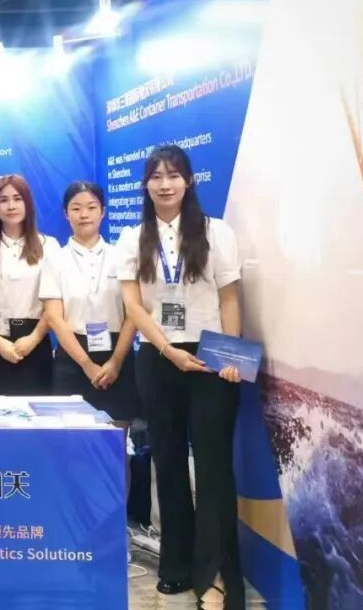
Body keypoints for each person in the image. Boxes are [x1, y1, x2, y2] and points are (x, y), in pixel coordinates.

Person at [118, 144, 243, 608]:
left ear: (189, 181)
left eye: (173, 175)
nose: (165, 184)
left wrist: (232, 355)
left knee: (212, 469)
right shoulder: (132, 238)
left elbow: (229, 298)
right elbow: (133, 305)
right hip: (158, 355)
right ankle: (176, 566)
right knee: (167, 463)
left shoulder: (216, 232)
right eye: (156, 176)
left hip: (212, 358)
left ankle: (215, 575)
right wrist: (168, 350)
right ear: (146, 185)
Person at [41, 181, 140, 422]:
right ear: (66, 214)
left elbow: (133, 313)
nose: (84, 214)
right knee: (70, 434)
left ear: (103, 212)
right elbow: (54, 317)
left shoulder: (121, 256)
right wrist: (86, 364)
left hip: (117, 354)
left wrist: (116, 362)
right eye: (76, 208)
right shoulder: (55, 259)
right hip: (73, 356)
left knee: (118, 434)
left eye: (91, 207)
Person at [0, 174, 59, 396]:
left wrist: (34, 339)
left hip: (35, 339)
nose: (11, 206)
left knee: (36, 411)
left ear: (27, 203)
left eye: (17, 199)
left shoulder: (49, 246)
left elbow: (53, 305)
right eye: (4, 200)